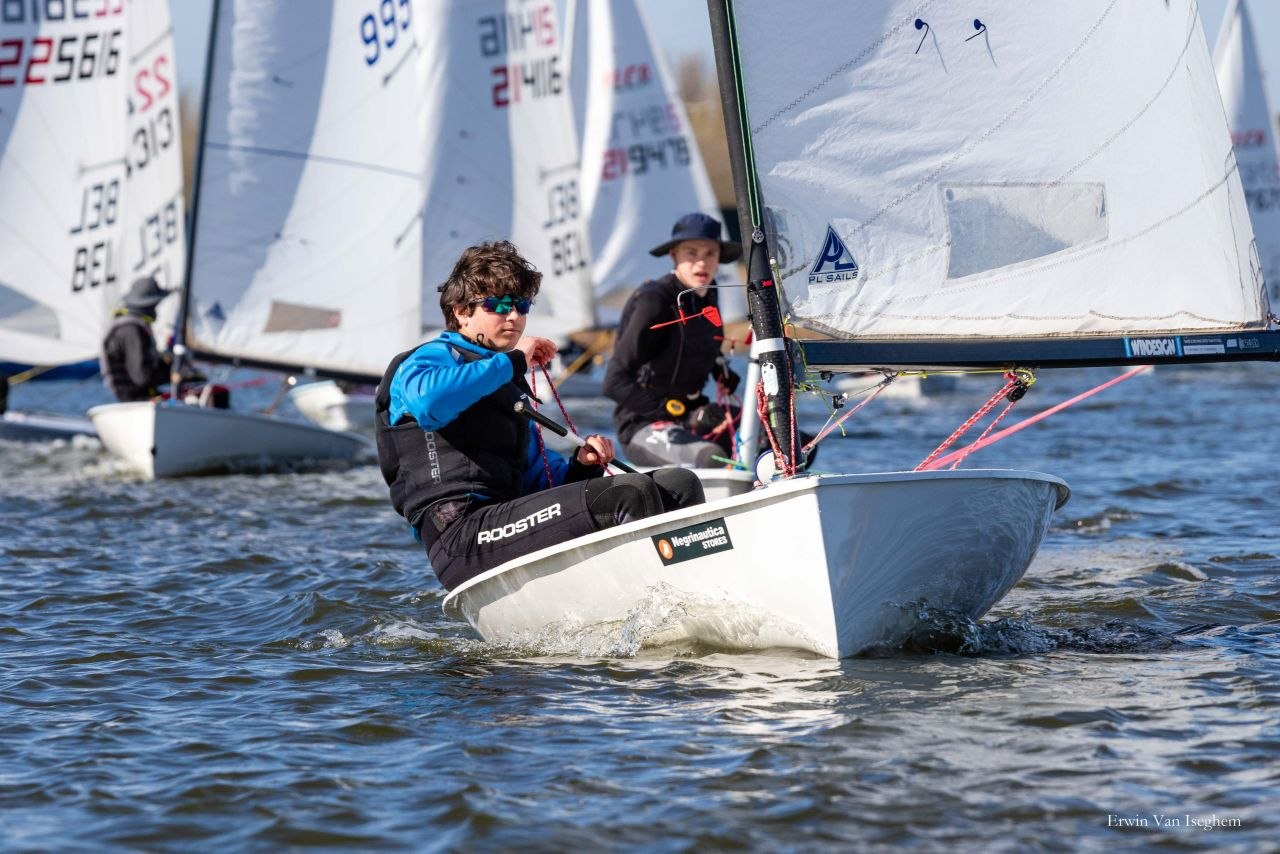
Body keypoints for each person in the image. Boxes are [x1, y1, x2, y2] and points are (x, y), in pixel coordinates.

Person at [375, 240, 705, 592]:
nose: (514, 316)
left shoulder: (504, 381)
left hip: (509, 523)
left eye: (521, 304)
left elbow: (541, 483)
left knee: (678, 484)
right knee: (630, 493)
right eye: (498, 304)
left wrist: (581, 466)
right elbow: (429, 404)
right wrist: (513, 360)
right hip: (460, 534)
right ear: (460, 311)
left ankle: (701, 595)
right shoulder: (427, 360)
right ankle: (660, 602)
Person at [604, 212, 744, 468]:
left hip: (694, 418)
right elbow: (614, 382)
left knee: (788, 439)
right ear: (674, 255)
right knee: (710, 456)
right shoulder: (653, 300)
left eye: (710, 254)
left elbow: (705, 345)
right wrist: (683, 414)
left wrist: (721, 370)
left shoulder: (708, 294)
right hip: (643, 425)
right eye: (691, 253)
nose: (701, 263)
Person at [101, 276, 178, 403]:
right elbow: (141, 377)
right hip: (134, 401)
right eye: (154, 305)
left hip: (140, 397)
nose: (156, 310)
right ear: (146, 305)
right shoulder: (131, 330)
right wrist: (172, 372)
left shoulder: (130, 325)